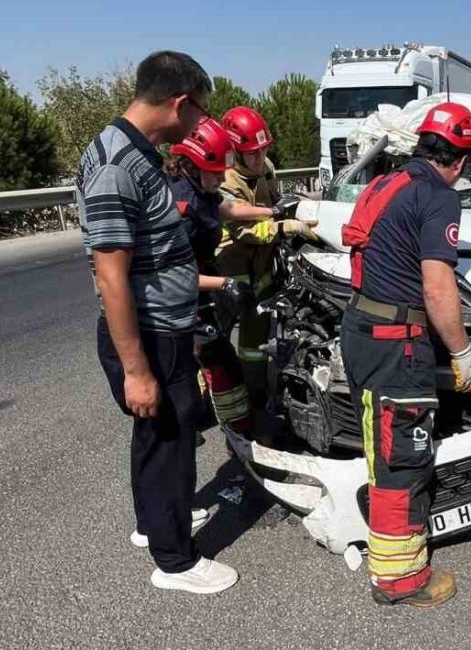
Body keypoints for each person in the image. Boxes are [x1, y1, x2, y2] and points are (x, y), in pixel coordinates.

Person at [77, 51, 237, 595]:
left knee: (157, 435)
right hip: (149, 335)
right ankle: (176, 562)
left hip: (164, 327)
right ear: (178, 102)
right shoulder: (117, 166)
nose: (199, 126)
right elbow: (111, 277)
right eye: (199, 113)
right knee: (171, 440)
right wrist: (136, 369)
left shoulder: (137, 153)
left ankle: (155, 524)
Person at [340, 102, 471, 607]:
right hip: (396, 342)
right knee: (403, 455)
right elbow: (439, 286)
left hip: (360, 327)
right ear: (463, 159)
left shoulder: (386, 182)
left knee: (383, 451)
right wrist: (461, 352)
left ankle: (391, 553)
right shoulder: (439, 197)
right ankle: (399, 580)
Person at [166, 118, 315, 439]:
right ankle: (184, 424)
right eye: (216, 172)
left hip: (205, 279)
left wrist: (274, 212)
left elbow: (229, 208)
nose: (221, 177)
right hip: (184, 291)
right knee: (190, 363)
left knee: (219, 361)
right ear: (194, 165)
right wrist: (224, 285)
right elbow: (175, 275)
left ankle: (237, 426)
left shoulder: (200, 189)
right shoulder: (181, 210)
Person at [215, 106, 310, 405]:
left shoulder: (265, 166)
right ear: (235, 151)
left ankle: (255, 392)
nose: (260, 158)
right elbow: (243, 229)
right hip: (233, 266)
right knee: (216, 334)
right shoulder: (225, 180)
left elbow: (275, 201)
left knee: (255, 334)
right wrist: (285, 227)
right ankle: (206, 397)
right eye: (252, 153)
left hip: (262, 264)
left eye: (263, 149)